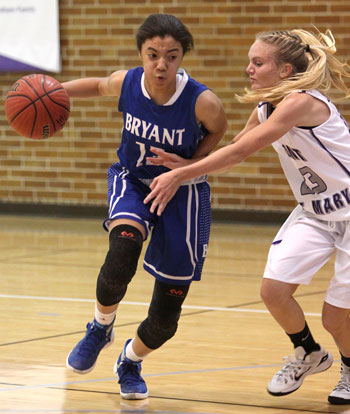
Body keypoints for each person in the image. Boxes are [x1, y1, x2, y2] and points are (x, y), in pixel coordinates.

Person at [144, 28, 350, 404]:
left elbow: (241, 154)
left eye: (258, 62)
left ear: (285, 69)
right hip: (316, 212)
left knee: (336, 317)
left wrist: (179, 175)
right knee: (273, 291)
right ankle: (308, 352)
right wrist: (190, 163)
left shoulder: (300, 103)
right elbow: (237, 146)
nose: (249, 69)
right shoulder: (266, 107)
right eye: (250, 62)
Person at [62, 13, 227, 400]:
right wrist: (51, 89)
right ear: (141, 54)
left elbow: (219, 129)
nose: (161, 64)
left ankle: (130, 361)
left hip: (182, 193)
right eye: (152, 54)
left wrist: (191, 165)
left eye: (171, 56)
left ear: (182, 56)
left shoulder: (203, 102)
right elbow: (99, 85)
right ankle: (101, 326)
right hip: (133, 179)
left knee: (165, 317)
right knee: (122, 248)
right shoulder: (128, 82)